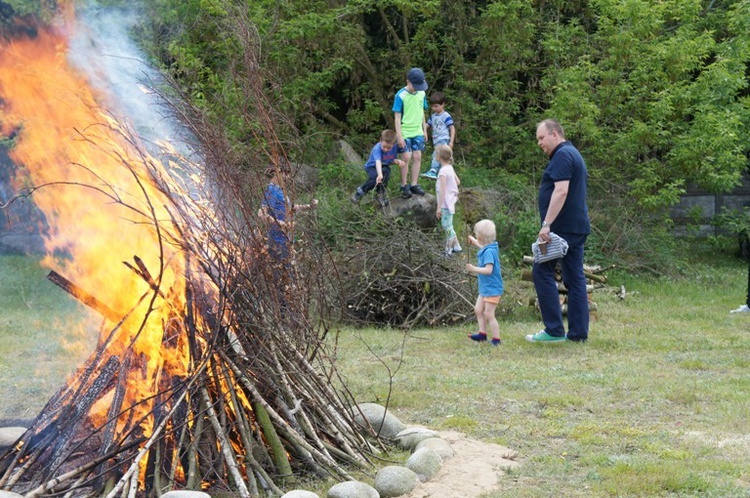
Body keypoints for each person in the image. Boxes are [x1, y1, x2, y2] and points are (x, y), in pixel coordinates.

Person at [526, 119, 591, 343]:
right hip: (575, 226)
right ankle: (578, 334)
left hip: (562, 229)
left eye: (541, 138)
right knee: (575, 279)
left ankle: (554, 330)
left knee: (541, 271)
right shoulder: (572, 153)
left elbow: (561, 191)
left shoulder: (563, 155)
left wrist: (547, 224)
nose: (539, 143)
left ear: (555, 134)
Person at [258, 159, 318, 269]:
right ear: (277, 172)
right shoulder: (271, 189)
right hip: (278, 241)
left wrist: (309, 206)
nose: (288, 178)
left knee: (288, 273)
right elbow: (261, 213)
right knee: (282, 273)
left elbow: (290, 208)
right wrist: (280, 223)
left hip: (286, 239)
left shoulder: (280, 190)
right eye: (286, 174)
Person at [466, 219, 504, 346]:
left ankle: (496, 339)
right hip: (485, 288)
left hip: (492, 289)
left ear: (481, 237)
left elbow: (489, 270)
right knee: (478, 310)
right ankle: (482, 334)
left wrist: (473, 269)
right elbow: (483, 246)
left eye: (477, 235)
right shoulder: (489, 247)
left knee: (488, 314)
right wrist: (475, 242)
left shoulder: (489, 252)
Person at [393, 67, 429, 199]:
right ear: (408, 81)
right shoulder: (400, 95)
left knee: (417, 156)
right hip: (405, 131)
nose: (418, 88)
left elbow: (422, 112)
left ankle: (414, 184)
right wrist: (399, 136)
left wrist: (424, 129)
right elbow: (397, 117)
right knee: (406, 157)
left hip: (417, 131)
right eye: (415, 85)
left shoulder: (421, 93)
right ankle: (404, 185)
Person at [351, 129, 405, 206]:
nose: (386, 149)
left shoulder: (394, 148)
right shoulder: (377, 148)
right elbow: (378, 162)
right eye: (384, 147)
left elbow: (389, 160)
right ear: (380, 141)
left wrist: (397, 161)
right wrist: (379, 174)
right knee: (375, 179)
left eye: (388, 148)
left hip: (383, 166)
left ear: (393, 145)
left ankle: (380, 194)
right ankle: (359, 193)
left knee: (386, 170)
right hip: (372, 167)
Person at [434, 144, 462, 256]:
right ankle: (457, 246)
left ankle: (448, 250)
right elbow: (458, 182)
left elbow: (442, 191)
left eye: (436, 154)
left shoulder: (443, 172)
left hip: (445, 204)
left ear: (439, 157)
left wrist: (439, 207)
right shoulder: (449, 168)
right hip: (451, 201)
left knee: (447, 227)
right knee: (449, 225)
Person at [421, 91, 456, 180]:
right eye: (432, 106)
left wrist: (451, 142)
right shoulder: (433, 116)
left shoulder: (446, 116)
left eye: (436, 106)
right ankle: (446, 173)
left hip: (443, 139)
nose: (434, 108)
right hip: (436, 140)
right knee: (443, 157)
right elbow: (427, 125)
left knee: (436, 154)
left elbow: (452, 128)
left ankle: (433, 171)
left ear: (443, 104)